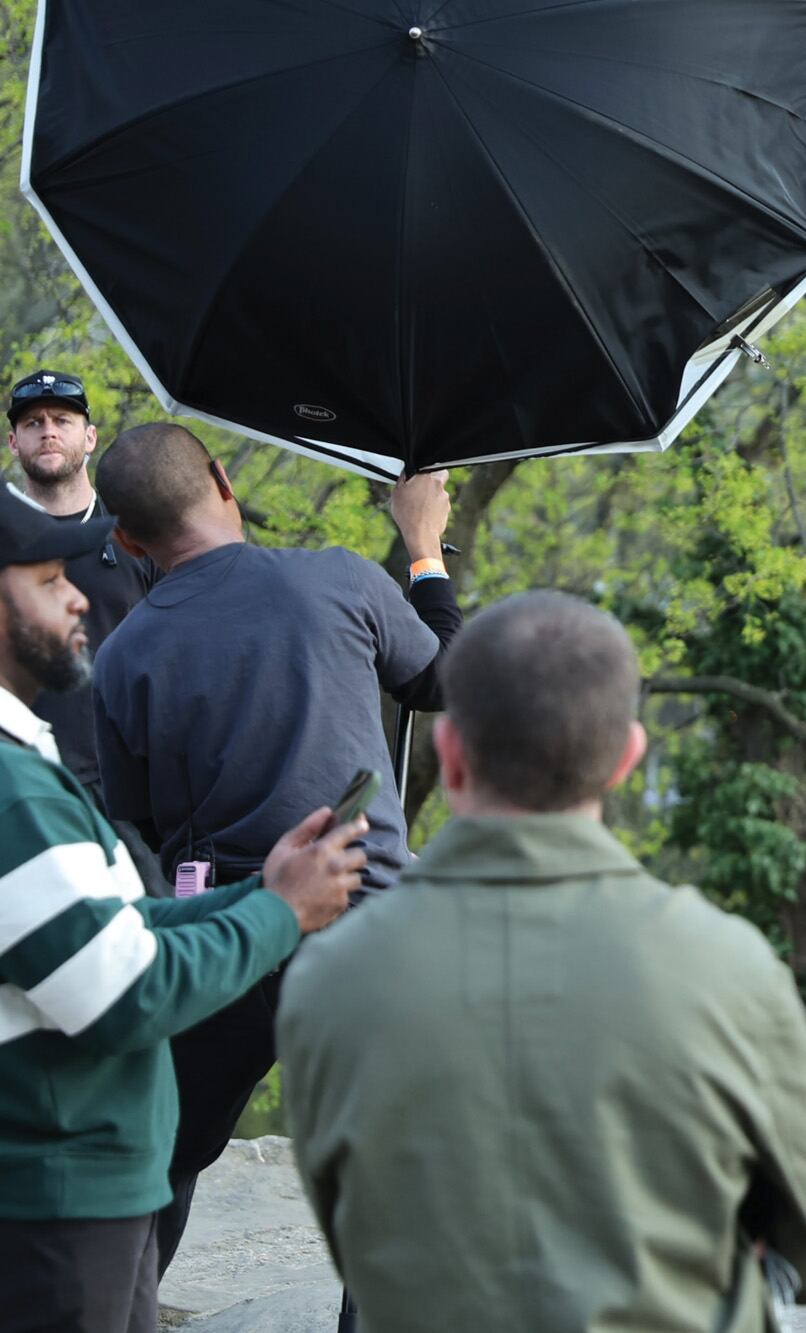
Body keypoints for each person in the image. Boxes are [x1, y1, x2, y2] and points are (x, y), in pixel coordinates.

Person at [277, 591, 806, 1332]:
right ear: (628, 757)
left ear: (450, 756)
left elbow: (348, 1230)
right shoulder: (729, 964)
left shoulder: (331, 976)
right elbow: (803, 1249)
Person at [89, 422, 459, 1272]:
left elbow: (134, 825)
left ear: (125, 539)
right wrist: (424, 543)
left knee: (161, 1158)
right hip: (362, 915)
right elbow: (440, 674)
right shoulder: (335, 577)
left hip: (223, 929)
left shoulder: (122, 658)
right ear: (224, 479)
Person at [0, 496, 363, 1333]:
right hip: (55, 1211)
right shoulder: (12, 796)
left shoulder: (25, 762)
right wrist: (278, 914)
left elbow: (116, 928)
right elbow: (127, 988)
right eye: (50, 579)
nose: (79, 596)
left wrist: (262, 890)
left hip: (93, 1195)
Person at [5, 370, 165, 896]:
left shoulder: (137, 535)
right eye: (33, 423)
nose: (48, 431)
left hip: (130, 785)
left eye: (63, 420)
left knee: (154, 918)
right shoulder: (5, 542)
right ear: (14, 441)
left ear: (89, 437)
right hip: (26, 776)